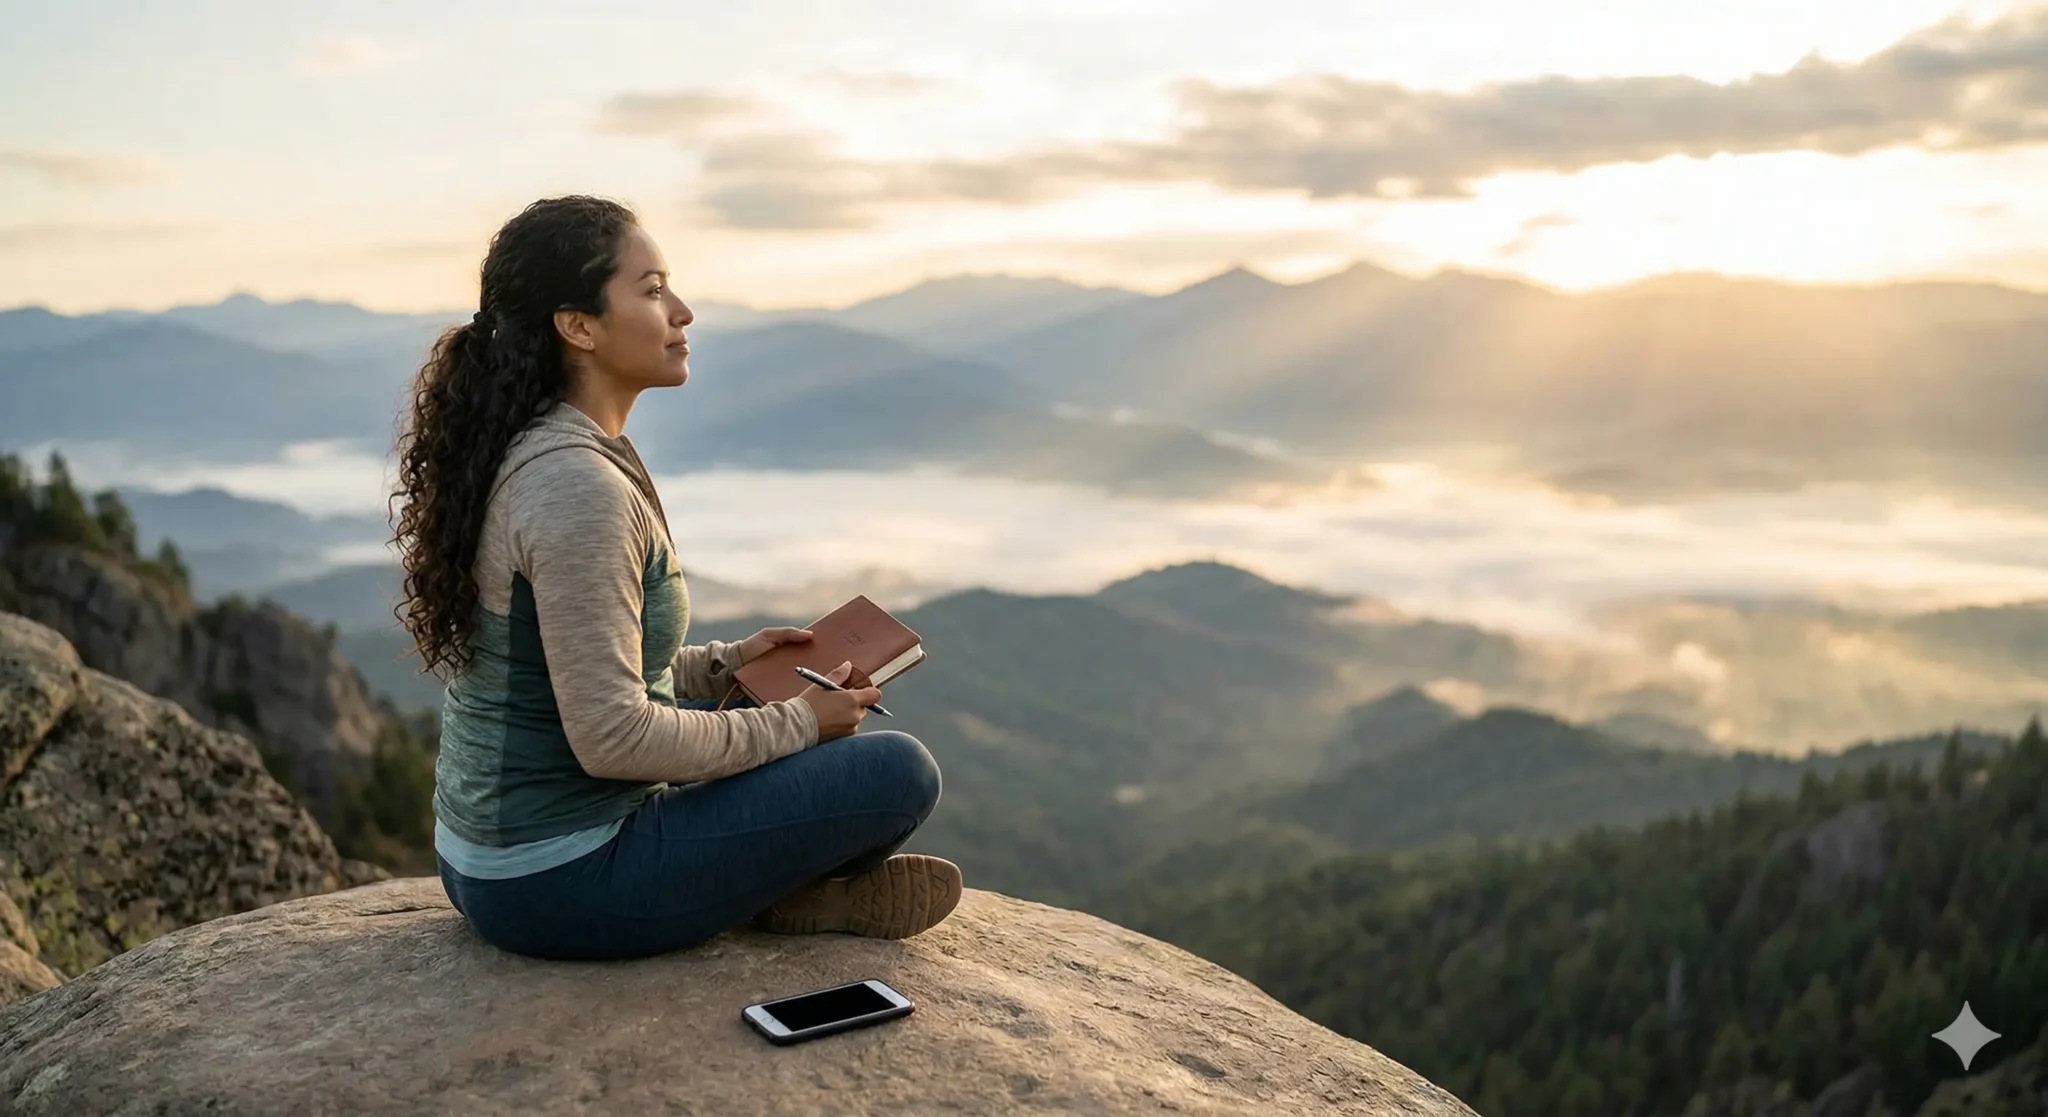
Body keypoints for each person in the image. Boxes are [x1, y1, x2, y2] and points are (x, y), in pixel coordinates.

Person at [390, 195, 962, 961]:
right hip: (563, 878)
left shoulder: (543, 449)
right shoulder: (576, 489)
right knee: (897, 771)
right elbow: (614, 737)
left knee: (825, 761)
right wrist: (799, 723)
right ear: (579, 326)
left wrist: (724, 665)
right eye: (654, 290)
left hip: (499, 860)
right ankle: (788, 893)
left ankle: (777, 887)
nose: (683, 311)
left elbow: (576, 666)